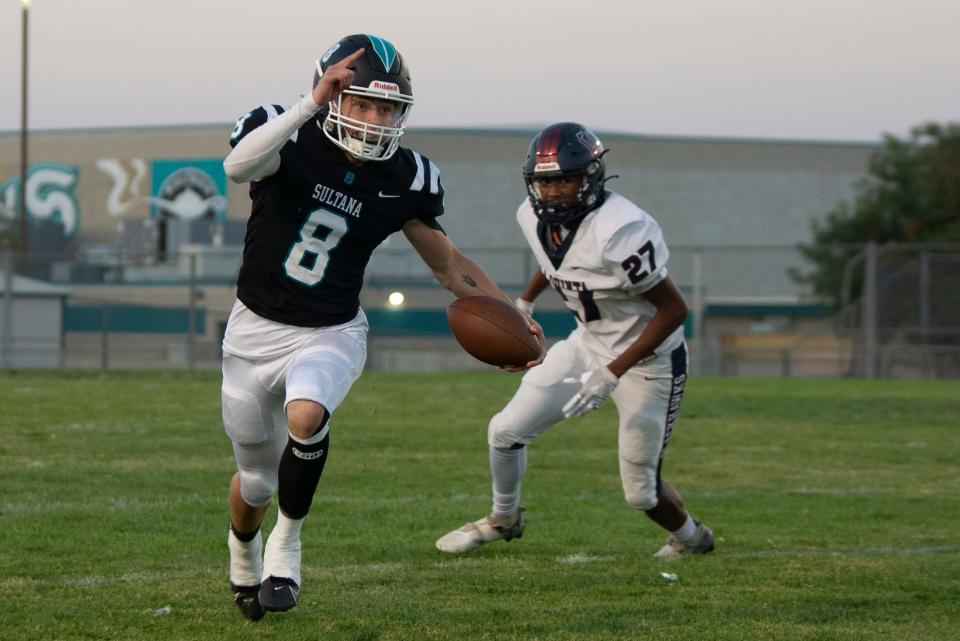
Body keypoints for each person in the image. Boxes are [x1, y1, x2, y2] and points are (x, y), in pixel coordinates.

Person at [220, 33, 542, 621]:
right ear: (334, 95)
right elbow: (237, 165)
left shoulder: (408, 176)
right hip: (251, 332)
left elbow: (448, 264)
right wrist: (309, 103)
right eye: (362, 102)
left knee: (306, 415)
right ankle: (243, 550)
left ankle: (286, 546)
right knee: (256, 481)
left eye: (388, 108)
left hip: (330, 330)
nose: (375, 119)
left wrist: (510, 314)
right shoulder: (283, 128)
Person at [435, 122, 714, 560]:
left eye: (566, 179)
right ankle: (503, 519)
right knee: (504, 432)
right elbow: (556, 261)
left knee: (641, 492)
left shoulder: (623, 230)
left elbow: (674, 310)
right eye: (545, 182)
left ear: (591, 177)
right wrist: (523, 304)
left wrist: (612, 373)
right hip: (587, 344)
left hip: (649, 362)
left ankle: (691, 537)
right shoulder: (531, 216)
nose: (555, 192)